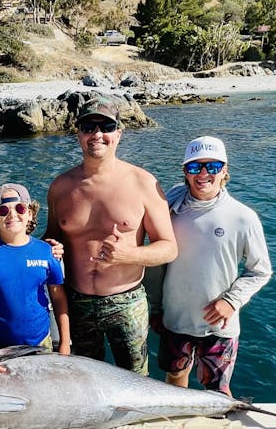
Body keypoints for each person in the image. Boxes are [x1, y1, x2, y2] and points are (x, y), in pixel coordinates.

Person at [44, 94, 177, 375]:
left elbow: (169, 248)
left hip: (126, 302)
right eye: (88, 127)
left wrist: (129, 255)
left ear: (119, 132)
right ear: (78, 133)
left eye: (105, 127)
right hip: (76, 302)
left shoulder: (144, 183)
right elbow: (53, 237)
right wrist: (50, 246)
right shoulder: (60, 187)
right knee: (83, 381)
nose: (97, 135)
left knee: (135, 381)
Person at [152, 135, 272, 396]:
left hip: (220, 324)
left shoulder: (243, 217)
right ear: (185, 171)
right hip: (175, 319)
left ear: (225, 170)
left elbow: (260, 270)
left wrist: (231, 300)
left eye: (213, 167)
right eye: (195, 167)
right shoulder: (169, 209)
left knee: (217, 388)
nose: (203, 174)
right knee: (174, 377)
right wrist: (155, 307)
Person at [0, 184, 70, 377]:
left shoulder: (46, 252)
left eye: (20, 208)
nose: (12, 214)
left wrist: (65, 343)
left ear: (30, 214)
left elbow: (58, 299)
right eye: (2, 210)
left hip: (40, 345)